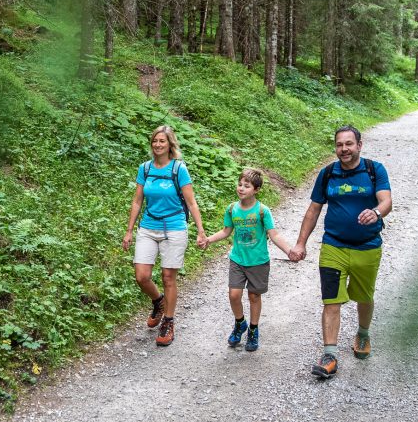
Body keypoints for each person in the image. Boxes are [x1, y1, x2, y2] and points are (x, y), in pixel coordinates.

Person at [289, 125, 392, 379]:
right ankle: (330, 354)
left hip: (367, 247)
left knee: (364, 297)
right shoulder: (327, 174)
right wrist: (301, 243)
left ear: (359, 145)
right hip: (333, 246)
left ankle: (363, 333)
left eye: (348, 144)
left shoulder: (374, 169)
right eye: (339, 145)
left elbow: (386, 200)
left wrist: (376, 212)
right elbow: (313, 210)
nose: (343, 149)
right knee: (331, 299)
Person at [122, 125, 207, 347]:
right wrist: (129, 230)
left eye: (162, 141)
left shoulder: (179, 169)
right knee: (141, 276)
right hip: (148, 227)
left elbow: (191, 202)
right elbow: (137, 200)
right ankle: (158, 302)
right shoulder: (145, 168)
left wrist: (200, 230)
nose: (158, 145)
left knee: (169, 277)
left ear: (170, 144)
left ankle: (168, 321)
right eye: (155, 141)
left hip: (175, 228)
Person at [202, 168, 293, 352]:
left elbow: (273, 234)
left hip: (258, 261)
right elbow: (226, 231)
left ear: (256, 189)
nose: (241, 188)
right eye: (240, 184)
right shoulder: (231, 209)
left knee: (253, 296)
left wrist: (289, 251)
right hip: (237, 259)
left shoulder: (262, 211)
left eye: (247, 186)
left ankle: (253, 329)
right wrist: (208, 240)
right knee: (234, 295)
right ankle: (239, 323)